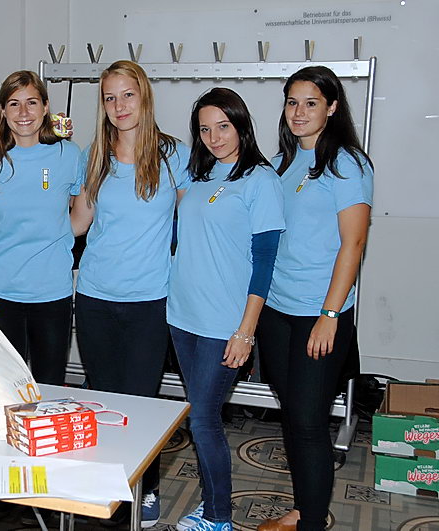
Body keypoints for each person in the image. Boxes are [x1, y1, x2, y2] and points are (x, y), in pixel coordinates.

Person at [70, 60, 190, 528]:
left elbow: (194, 223)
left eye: (127, 95)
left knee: (140, 404)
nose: (119, 106)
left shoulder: (174, 156)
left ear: (144, 97)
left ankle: (147, 487)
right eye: (109, 97)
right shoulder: (94, 156)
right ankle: (107, 487)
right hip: (95, 298)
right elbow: (78, 223)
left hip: (149, 302)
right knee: (103, 402)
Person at [256, 66, 373, 531]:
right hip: (276, 309)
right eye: (292, 102)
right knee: (294, 416)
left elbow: (354, 244)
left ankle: (311, 522)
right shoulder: (282, 165)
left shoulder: (347, 164)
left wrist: (329, 314)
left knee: (307, 421)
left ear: (333, 107)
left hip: (318, 314)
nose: (299, 112)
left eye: (311, 103)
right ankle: (305, 510)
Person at [168, 88, 285, 531]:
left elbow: (265, 261)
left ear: (241, 125)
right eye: (205, 129)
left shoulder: (260, 180)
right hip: (183, 317)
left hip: (224, 324)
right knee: (200, 415)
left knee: (203, 419)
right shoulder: (198, 175)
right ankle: (209, 505)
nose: (214, 137)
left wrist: (246, 331)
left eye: (223, 126)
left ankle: (219, 517)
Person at [0, 70, 81, 386]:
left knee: (50, 384)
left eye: (32, 102)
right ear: (3, 111)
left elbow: (83, 210)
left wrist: (58, 236)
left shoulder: (68, 154)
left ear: (45, 107)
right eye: (14, 103)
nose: (23, 112)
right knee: (7, 386)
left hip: (52, 291)